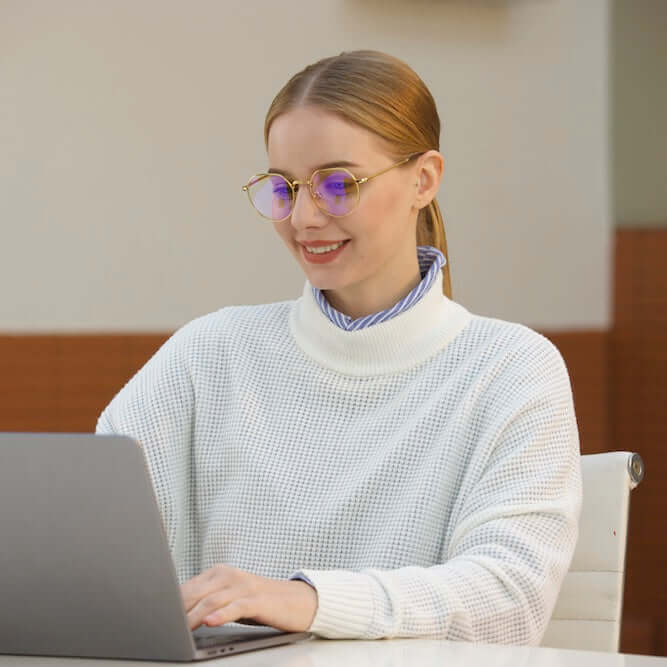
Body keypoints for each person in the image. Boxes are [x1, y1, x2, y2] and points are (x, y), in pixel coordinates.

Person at [96, 49, 582, 645]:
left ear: (423, 180)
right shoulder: (209, 353)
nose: (303, 217)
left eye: (336, 184)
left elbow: (510, 598)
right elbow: (96, 545)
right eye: (284, 187)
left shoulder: (510, 368)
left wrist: (310, 600)